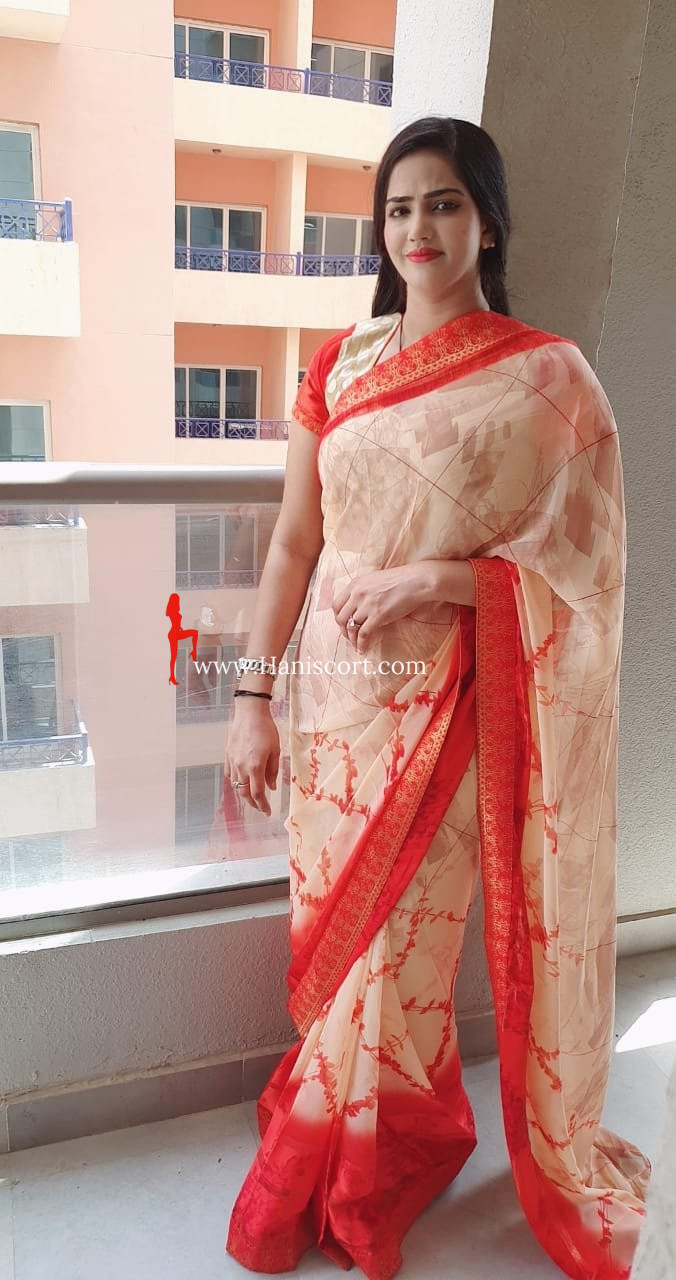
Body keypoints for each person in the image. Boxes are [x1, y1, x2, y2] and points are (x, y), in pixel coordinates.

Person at [224, 116, 650, 1280]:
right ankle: (367, 1118)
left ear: (488, 222)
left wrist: (438, 579)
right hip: (335, 708)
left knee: (399, 953)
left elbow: (586, 572)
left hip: (452, 710)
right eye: (400, 206)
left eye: (445, 203)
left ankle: (365, 1159)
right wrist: (251, 695)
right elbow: (292, 543)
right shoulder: (340, 364)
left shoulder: (548, 378)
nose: (419, 226)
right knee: (339, 942)